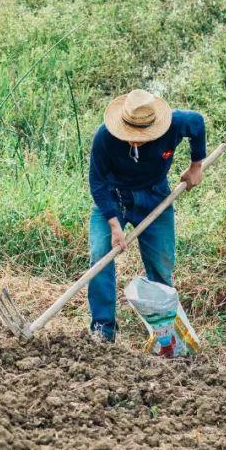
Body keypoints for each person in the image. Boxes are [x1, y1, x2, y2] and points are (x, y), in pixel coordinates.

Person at [87, 89, 207, 342]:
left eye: (140, 136)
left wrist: (196, 165)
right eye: (129, 134)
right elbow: (97, 182)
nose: (134, 141)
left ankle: (165, 333)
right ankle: (103, 328)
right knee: (100, 257)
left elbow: (197, 122)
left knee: (162, 266)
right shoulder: (105, 137)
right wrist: (114, 225)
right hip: (113, 196)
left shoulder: (175, 124)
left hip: (155, 196)